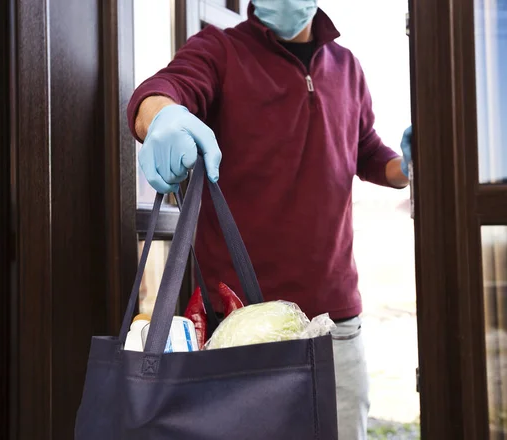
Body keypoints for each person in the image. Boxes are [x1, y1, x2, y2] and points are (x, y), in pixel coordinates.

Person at [127, 1, 413, 439]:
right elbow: (165, 88)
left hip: (334, 324)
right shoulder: (220, 49)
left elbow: (366, 150)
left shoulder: (348, 66)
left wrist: (406, 168)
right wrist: (161, 114)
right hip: (241, 331)